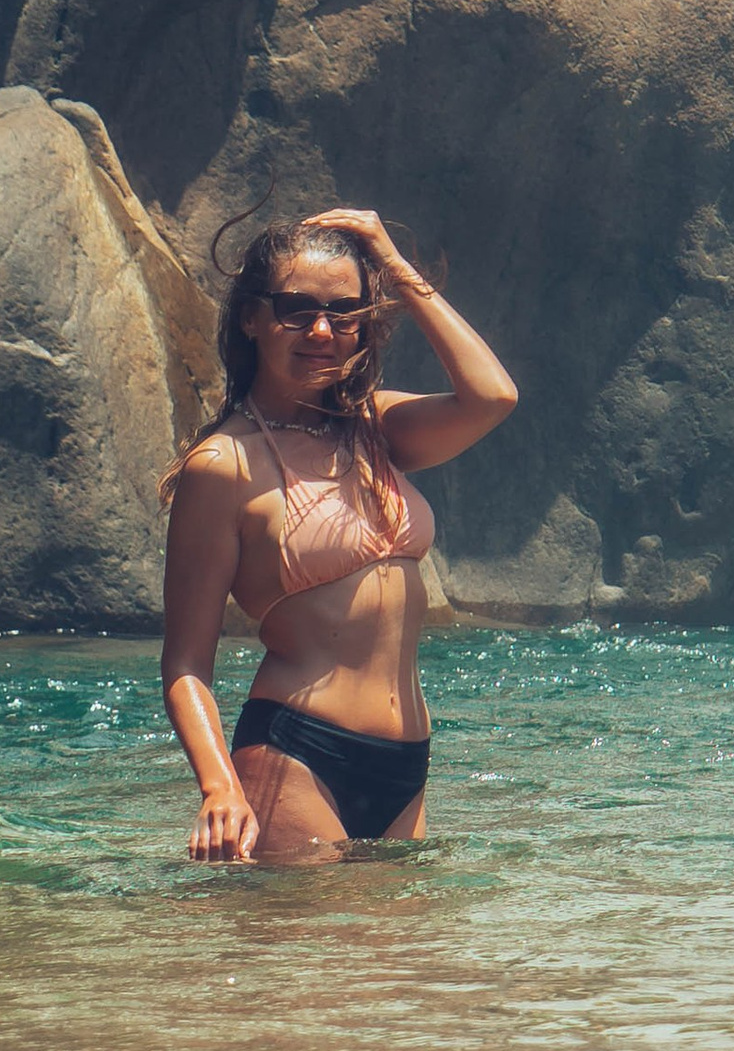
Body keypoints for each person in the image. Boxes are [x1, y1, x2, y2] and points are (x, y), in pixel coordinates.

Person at [160, 204, 518, 863]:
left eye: (344, 312)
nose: (322, 329)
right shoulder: (224, 465)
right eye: (296, 308)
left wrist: (393, 264)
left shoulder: (374, 430)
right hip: (297, 754)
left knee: (395, 966)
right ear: (251, 317)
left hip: (406, 764)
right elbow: (185, 665)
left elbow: (492, 396)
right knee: (312, 963)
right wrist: (219, 788)